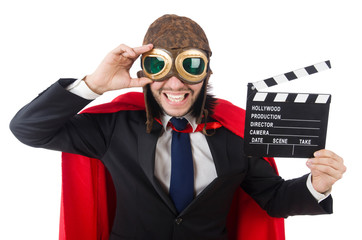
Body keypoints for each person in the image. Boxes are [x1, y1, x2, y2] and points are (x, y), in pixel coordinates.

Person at [10, 14, 346, 240]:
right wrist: (94, 84)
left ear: (206, 72)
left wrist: (317, 185)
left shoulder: (235, 133)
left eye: (190, 66)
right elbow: (29, 129)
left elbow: (273, 199)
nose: (174, 83)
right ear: (145, 72)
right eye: (158, 66)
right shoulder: (113, 129)